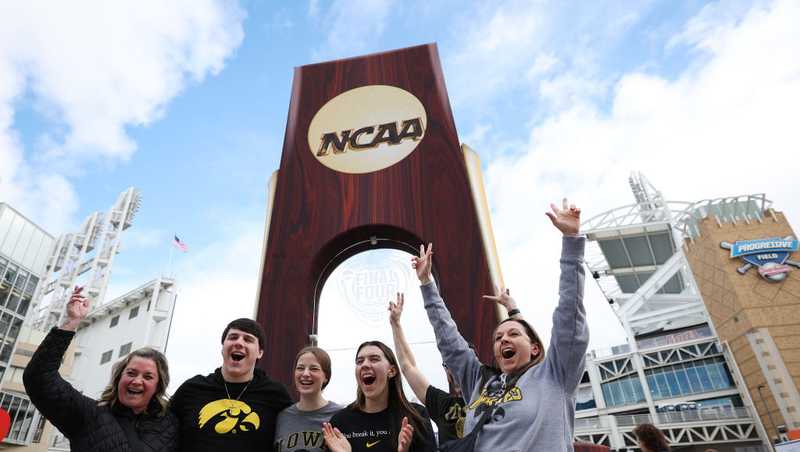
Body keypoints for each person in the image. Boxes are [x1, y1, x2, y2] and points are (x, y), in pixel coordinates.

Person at [413, 198, 588, 451]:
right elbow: (449, 341)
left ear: (535, 348)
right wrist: (427, 284)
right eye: (498, 338)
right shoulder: (480, 382)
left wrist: (571, 242)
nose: (503, 339)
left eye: (513, 333)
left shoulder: (555, 375)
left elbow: (569, 316)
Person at [23, 286, 178, 452]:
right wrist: (72, 322)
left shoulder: (171, 426)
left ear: (158, 386)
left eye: (148, 377)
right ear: (119, 378)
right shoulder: (88, 414)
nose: (137, 381)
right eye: (131, 373)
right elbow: (39, 378)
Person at [170, 318, 292, 452]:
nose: (239, 342)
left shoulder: (275, 394)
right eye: (233, 337)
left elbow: (299, 426)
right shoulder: (192, 388)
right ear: (222, 347)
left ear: (260, 353)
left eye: (248, 339)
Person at [325, 341, 437, 452]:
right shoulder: (340, 421)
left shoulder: (416, 416)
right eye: (359, 361)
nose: (364, 364)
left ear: (392, 371)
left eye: (374, 359)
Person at [388, 292, 466, 446]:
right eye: (448, 366)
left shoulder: (496, 396)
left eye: (459, 364)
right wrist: (395, 324)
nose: (453, 370)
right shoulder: (443, 404)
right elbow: (408, 367)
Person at [274, 346, 343, 452]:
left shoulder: (340, 415)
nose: (305, 374)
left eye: (314, 369)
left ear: (326, 377)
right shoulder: (281, 417)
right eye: (300, 368)